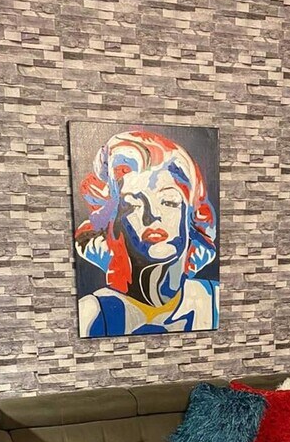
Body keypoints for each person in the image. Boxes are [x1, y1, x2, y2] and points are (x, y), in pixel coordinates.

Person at [73, 130, 219, 337]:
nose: (152, 216)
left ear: (191, 216)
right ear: (114, 223)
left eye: (169, 202)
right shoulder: (92, 315)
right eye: (133, 205)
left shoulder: (213, 300)